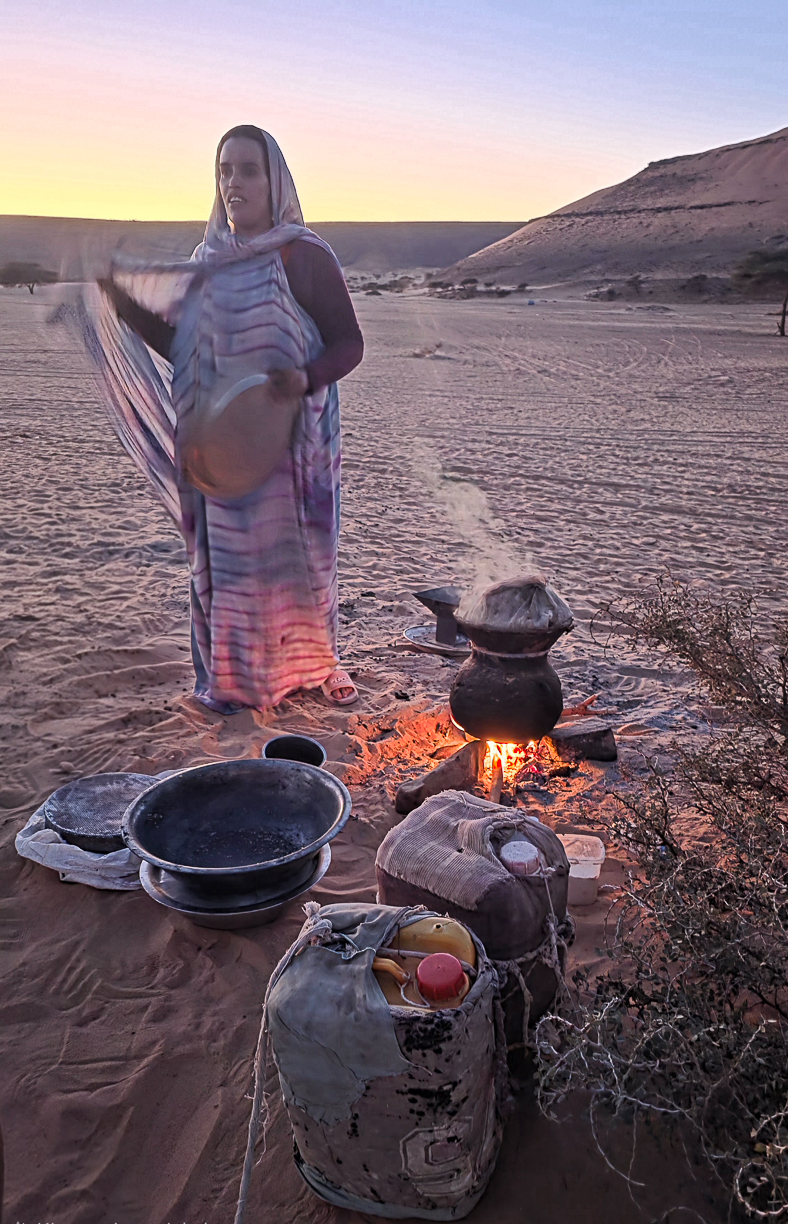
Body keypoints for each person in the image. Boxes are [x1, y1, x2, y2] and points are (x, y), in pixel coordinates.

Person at [82, 125, 363, 712]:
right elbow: (185, 349)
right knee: (231, 564)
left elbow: (349, 344)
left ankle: (314, 664)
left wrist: (304, 377)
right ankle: (236, 680)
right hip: (223, 442)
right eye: (224, 170)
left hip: (295, 443)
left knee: (300, 560)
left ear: (275, 180)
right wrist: (124, 305)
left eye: (248, 170)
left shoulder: (302, 255)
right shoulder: (206, 263)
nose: (234, 182)